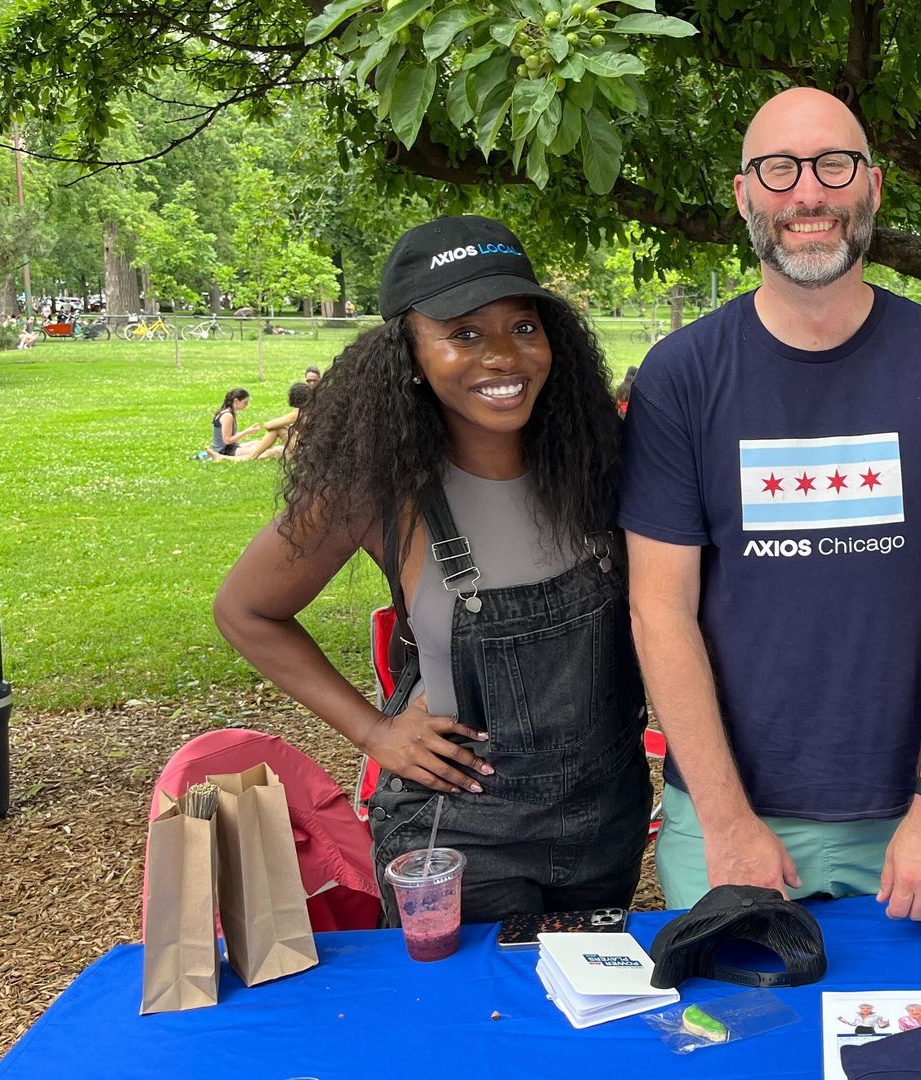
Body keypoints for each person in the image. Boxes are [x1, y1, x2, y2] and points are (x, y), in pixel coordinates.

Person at [620, 87, 921, 918]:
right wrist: (729, 822)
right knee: (729, 1045)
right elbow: (657, 610)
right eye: (778, 170)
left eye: (833, 166)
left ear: (873, 186)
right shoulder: (681, 377)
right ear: (744, 194)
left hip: (912, 820)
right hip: (727, 821)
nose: (807, 194)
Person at [213, 215, 648, 924]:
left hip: (607, 823)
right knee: (470, 1028)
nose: (504, 356)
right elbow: (245, 610)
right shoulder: (375, 491)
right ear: (410, 355)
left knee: (571, 1024)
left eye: (523, 327)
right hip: (463, 835)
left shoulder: (603, 467)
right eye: (465, 334)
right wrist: (373, 732)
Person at [217, 383, 310, 462]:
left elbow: (268, 425)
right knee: (271, 452)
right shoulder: (311, 410)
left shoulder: (298, 414)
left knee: (278, 428)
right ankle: (225, 458)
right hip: (307, 450)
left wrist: (285, 425)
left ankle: (251, 457)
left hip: (306, 454)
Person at [207, 388, 259, 457]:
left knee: (260, 444)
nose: (247, 405)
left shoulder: (226, 412)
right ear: (236, 401)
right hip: (224, 451)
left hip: (229, 447)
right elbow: (227, 440)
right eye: (245, 402)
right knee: (260, 450)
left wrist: (248, 430)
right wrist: (246, 432)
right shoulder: (227, 416)